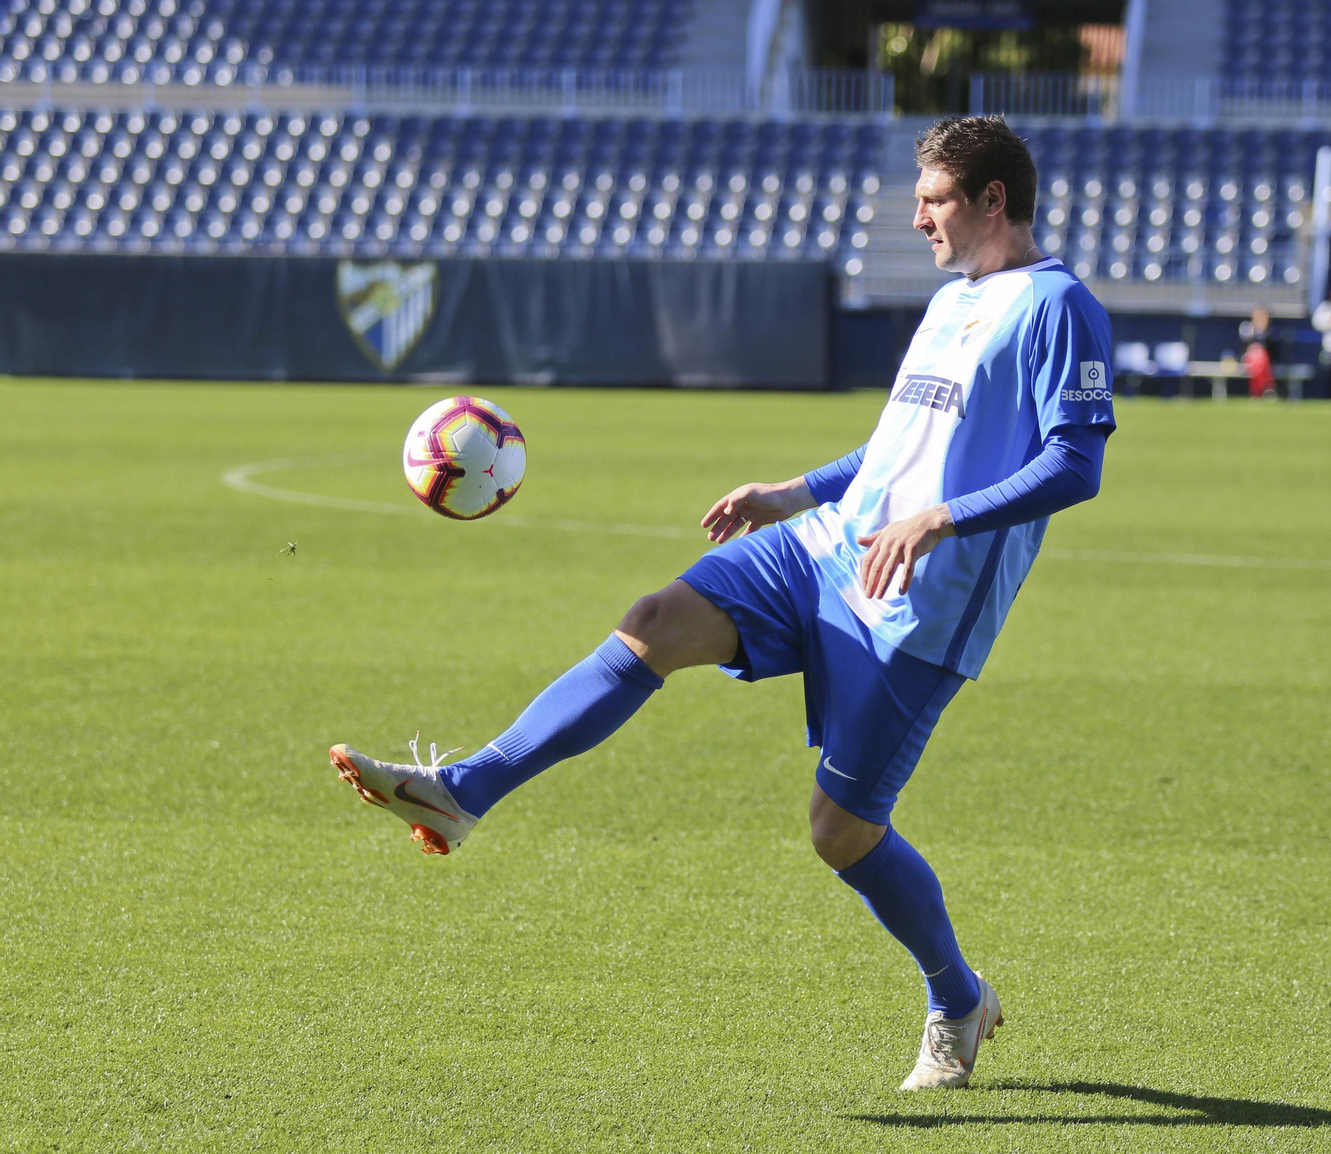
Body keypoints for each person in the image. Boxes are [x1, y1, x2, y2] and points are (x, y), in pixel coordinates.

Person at [329, 115, 1115, 1091]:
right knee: (654, 620)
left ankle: (957, 996)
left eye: (935, 199)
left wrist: (939, 520)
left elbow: (1073, 463)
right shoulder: (957, 299)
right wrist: (794, 493)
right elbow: (897, 443)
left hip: (917, 601)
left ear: (993, 199)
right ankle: (464, 792)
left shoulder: (1057, 307)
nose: (917, 217)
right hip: (824, 550)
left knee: (840, 831)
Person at [1239, 306, 1281, 399]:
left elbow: (1272, 349)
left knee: (1261, 358)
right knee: (1258, 358)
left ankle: (1257, 391)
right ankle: (1268, 387)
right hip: (1251, 361)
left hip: (1267, 362)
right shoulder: (1248, 330)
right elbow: (1245, 347)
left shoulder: (1271, 331)